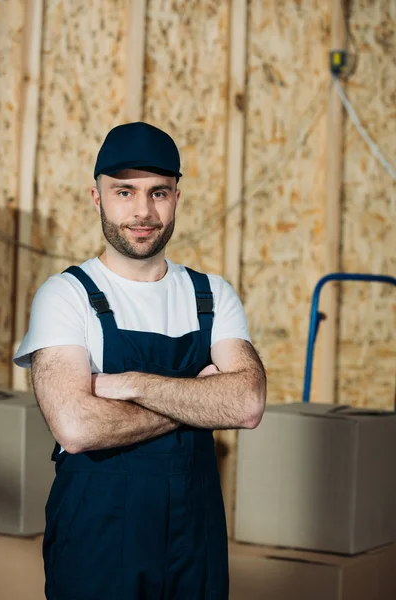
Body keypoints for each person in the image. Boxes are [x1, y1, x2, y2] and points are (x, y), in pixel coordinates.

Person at [13, 121, 266, 600]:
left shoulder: (212, 295)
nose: (143, 211)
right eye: (124, 191)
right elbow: (76, 426)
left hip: (195, 540)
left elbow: (247, 403)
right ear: (97, 197)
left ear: (177, 197)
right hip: (98, 542)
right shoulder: (66, 296)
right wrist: (197, 395)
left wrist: (129, 383)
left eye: (159, 193)